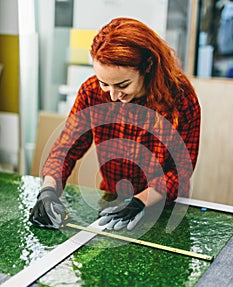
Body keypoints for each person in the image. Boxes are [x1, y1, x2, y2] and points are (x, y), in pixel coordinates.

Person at [29, 17, 201, 231]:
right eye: (104, 83)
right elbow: (65, 149)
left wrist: (141, 201)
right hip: (112, 199)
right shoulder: (91, 92)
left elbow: (181, 171)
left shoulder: (181, 99)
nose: (112, 95)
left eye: (122, 84)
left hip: (164, 208)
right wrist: (48, 191)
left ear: (147, 66)